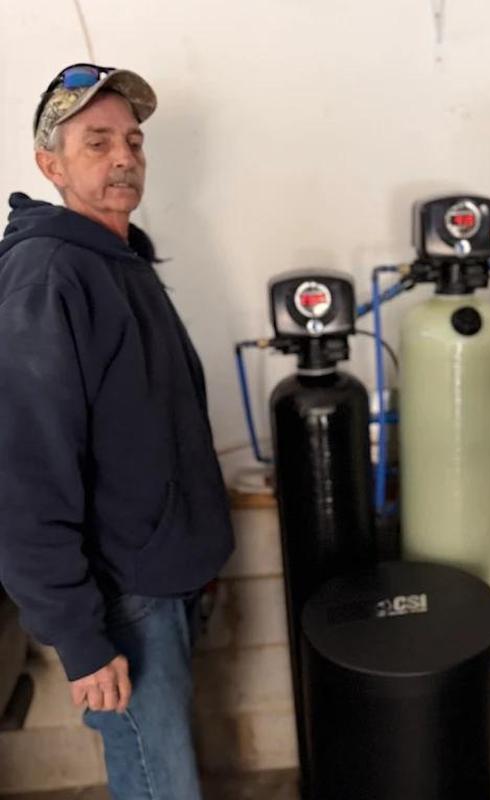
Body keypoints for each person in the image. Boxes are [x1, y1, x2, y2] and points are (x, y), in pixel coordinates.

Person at [0, 64, 234, 799]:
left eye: (132, 140)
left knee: (164, 776)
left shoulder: (119, 261)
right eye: (96, 142)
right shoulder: (49, 278)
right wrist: (79, 635)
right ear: (51, 165)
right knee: (162, 787)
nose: (124, 156)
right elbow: (23, 474)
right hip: (120, 596)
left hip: (158, 580)